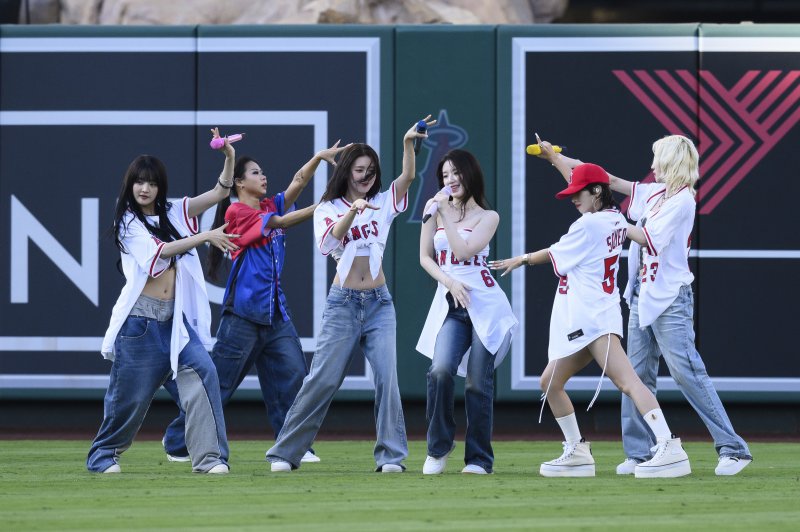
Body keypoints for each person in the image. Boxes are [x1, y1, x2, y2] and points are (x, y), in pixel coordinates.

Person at [542, 135, 752, 476]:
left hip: (670, 297)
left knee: (686, 372)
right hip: (641, 293)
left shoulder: (682, 202)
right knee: (635, 374)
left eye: (658, 159)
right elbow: (603, 180)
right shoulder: (657, 193)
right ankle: (639, 453)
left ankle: (733, 449)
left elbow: (646, 239)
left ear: (671, 162)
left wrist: (611, 221)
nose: (652, 166)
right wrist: (555, 158)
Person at [490, 149, 690, 478]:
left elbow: (553, 253)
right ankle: (578, 451)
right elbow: (596, 190)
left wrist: (522, 259)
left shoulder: (590, 224)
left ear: (596, 192)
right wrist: (556, 158)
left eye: (578, 193)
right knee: (550, 382)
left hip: (595, 320)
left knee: (628, 382)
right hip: (588, 319)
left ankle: (669, 445)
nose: (572, 198)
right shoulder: (614, 218)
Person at [160, 142, 350, 465]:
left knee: (293, 377)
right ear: (239, 182)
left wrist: (318, 157)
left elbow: (297, 182)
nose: (263, 177)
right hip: (243, 314)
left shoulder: (268, 205)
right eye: (255, 173)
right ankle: (178, 440)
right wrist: (323, 208)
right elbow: (281, 223)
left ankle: (292, 446)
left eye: (262, 172)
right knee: (220, 383)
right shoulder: (236, 212)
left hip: (276, 312)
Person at [265, 115, 437, 473]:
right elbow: (328, 244)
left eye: (371, 170)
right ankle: (285, 453)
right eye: (359, 170)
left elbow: (407, 177)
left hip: (379, 303)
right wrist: (353, 212)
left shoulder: (383, 202)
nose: (366, 176)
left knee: (387, 378)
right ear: (346, 172)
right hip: (342, 304)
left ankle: (391, 456)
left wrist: (408, 143)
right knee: (322, 379)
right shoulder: (327, 208)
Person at [87, 129, 240, 474]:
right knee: (128, 400)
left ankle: (210, 459)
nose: (145, 188)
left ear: (160, 187)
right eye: (139, 182)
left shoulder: (174, 210)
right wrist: (205, 236)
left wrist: (229, 158)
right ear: (130, 185)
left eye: (152, 183)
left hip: (175, 322)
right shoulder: (127, 221)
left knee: (205, 375)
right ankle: (102, 455)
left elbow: (220, 192)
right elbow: (160, 253)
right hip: (139, 325)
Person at [416, 149, 517, 475]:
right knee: (440, 370)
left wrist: (445, 213)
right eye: (445, 175)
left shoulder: (488, 217)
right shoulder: (433, 210)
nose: (450, 180)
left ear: (469, 174)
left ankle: (478, 459)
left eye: (456, 173)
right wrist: (449, 282)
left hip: (485, 306)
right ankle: (438, 447)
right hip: (452, 304)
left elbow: (461, 252)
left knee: (477, 383)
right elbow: (425, 257)